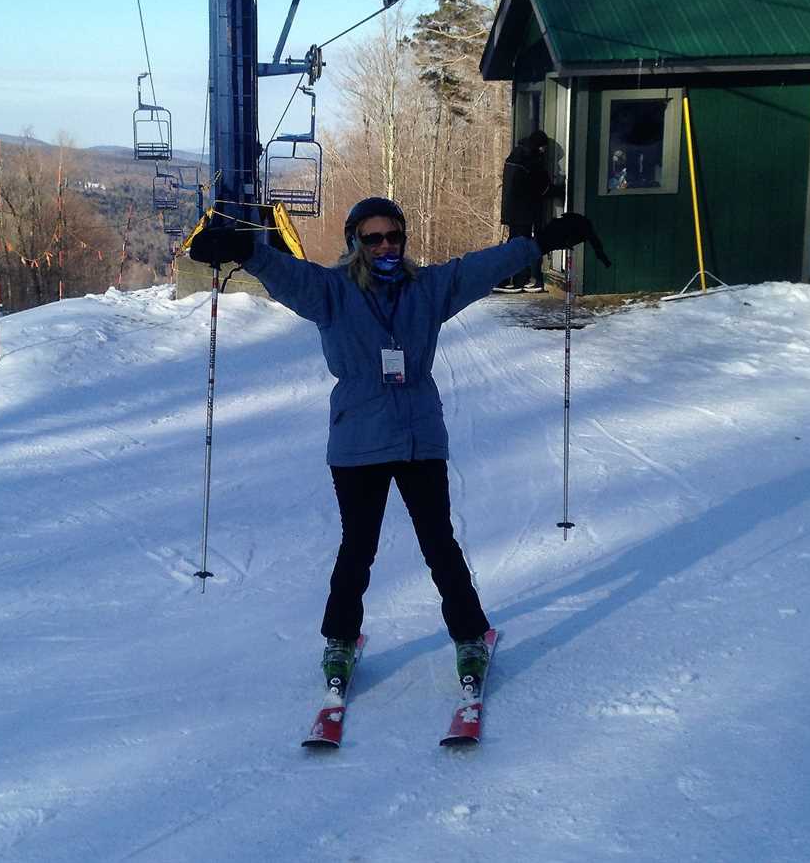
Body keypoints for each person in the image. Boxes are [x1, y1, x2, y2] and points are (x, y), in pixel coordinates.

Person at [189, 197, 601, 688]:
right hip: (358, 440)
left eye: (394, 236)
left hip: (419, 438)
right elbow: (287, 274)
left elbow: (480, 266)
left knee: (439, 544)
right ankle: (340, 640)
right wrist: (246, 251)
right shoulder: (332, 293)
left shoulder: (427, 289)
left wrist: (539, 243)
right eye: (373, 238)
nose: (386, 246)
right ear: (354, 244)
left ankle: (470, 635)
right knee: (357, 548)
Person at [498, 129, 563, 293]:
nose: (544, 152)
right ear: (539, 146)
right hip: (524, 211)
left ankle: (509, 279)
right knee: (521, 245)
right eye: (543, 148)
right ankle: (518, 280)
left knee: (514, 243)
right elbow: (541, 187)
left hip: (512, 210)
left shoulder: (516, 155)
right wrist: (560, 190)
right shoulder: (531, 160)